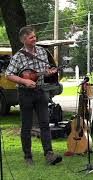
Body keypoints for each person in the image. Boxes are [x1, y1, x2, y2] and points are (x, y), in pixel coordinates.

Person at [5, 26, 62, 165]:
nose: (35, 39)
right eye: (31, 37)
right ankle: (28, 156)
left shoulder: (42, 51)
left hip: (40, 91)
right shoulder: (18, 56)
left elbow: (45, 71)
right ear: (24, 39)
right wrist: (24, 81)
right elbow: (8, 75)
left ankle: (49, 154)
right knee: (27, 125)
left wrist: (49, 73)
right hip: (25, 93)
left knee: (44, 123)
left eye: (35, 36)